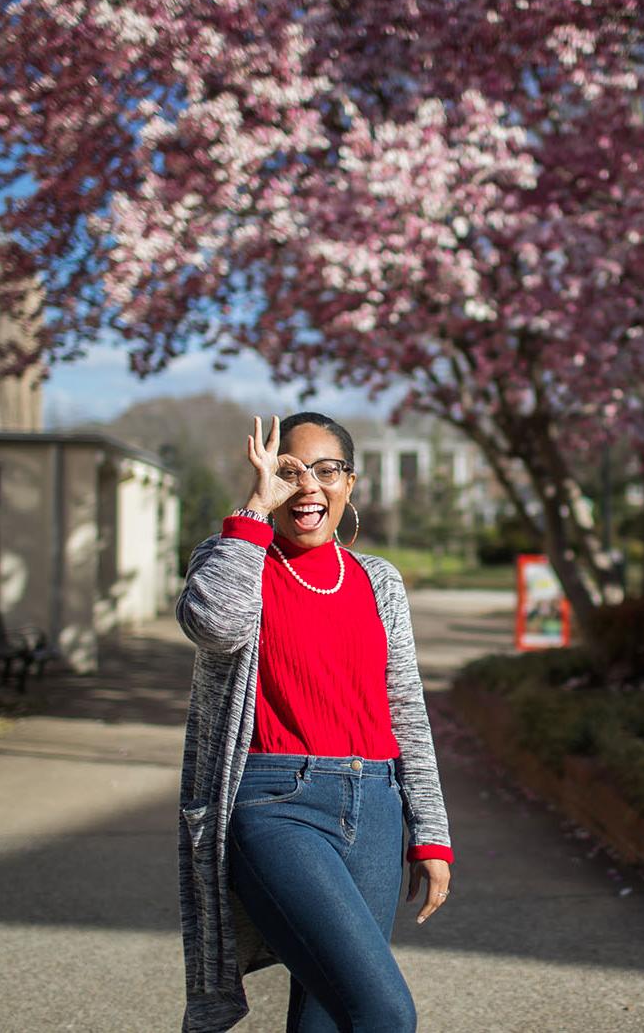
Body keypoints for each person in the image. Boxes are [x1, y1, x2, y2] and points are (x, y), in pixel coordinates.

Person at [177, 412, 453, 1033]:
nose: (308, 486)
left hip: (377, 806)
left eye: (326, 471)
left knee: (328, 1012)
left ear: (350, 484)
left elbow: (406, 707)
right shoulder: (236, 557)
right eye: (289, 471)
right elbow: (214, 626)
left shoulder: (377, 580)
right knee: (383, 1011)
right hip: (274, 804)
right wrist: (252, 512)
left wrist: (430, 833)